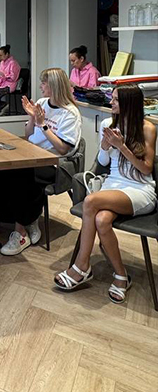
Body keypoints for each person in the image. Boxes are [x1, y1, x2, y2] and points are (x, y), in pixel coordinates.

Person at [56, 85, 156, 300]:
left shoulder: (147, 128)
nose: (111, 103)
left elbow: (146, 169)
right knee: (101, 220)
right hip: (113, 185)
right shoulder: (108, 124)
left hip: (139, 189)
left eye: (116, 100)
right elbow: (102, 162)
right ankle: (121, 276)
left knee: (90, 201)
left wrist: (121, 146)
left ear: (129, 103)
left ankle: (81, 266)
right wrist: (104, 145)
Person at [0, 68, 80, 257]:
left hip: (54, 163)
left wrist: (43, 124)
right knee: (3, 167)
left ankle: (21, 233)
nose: (40, 86)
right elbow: (29, 135)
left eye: (44, 83)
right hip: (32, 155)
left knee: (21, 173)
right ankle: (26, 217)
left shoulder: (70, 113)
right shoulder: (42, 103)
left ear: (54, 86)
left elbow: (63, 149)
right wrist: (31, 117)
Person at [0, 45, 20, 115]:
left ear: (6, 54)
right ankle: (2, 105)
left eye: (1, 55)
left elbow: (13, 78)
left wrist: (0, 73)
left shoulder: (13, 63)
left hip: (9, 85)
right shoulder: (2, 63)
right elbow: (0, 75)